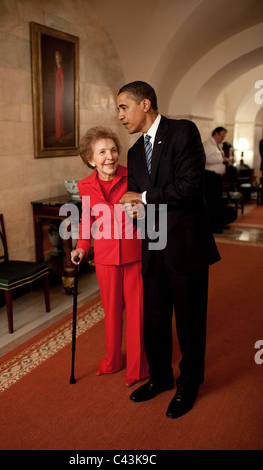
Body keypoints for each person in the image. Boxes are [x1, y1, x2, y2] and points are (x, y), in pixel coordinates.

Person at [117, 81, 220, 418]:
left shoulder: (182, 131)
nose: (120, 115)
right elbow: (135, 197)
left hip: (186, 244)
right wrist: (134, 212)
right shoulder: (133, 152)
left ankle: (188, 384)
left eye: (123, 107)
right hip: (153, 243)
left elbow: (189, 187)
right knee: (154, 318)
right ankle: (159, 377)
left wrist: (143, 199)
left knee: (189, 321)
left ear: (145, 103)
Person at [70, 126, 148, 387]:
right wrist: (82, 247)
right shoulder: (85, 186)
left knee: (137, 314)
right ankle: (113, 359)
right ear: (91, 159)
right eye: (102, 152)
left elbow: (151, 211)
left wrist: (143, 212)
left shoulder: (134, 176)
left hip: (135, 255)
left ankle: (138, 368)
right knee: (112, 312)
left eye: (113, 149)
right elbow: (86, 221)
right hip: (105, 259)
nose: (110, 156)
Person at [203, 127, 230, 233]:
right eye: (222, 136)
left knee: (218, 201)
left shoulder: (216, 145)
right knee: (212, 203)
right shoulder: (207, 144)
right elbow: (207, 159)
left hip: (216, 177)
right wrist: (223, 159)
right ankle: (212, 227)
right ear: (216, 134)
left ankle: (219, 223)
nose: (223, 138)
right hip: (210, 177)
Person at [55, 50, 65, 139]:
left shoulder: (61, 70)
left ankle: (60, 133)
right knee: (57, 114)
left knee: (60, 114)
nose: (56, 60)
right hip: (57, 95)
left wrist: (61, 97)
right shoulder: (58, 70)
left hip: (59, 96)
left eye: (58, 58)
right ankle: (59, 133)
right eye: (56, 59)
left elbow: (62, 85)